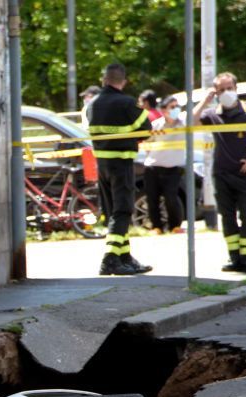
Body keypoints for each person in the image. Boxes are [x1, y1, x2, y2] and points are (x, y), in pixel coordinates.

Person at [193, 72, 246, 273]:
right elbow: (192, 121)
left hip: (243, 173)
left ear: (236, 88)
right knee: (227, 216)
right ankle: (235, 258)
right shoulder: (213, 113)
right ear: (216, 92)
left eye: (229, 88)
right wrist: (205, 100)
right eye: (221, 89)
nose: (226, 92)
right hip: (221, 173)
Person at [87, 63, 153, 275]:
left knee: (113, 212)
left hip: (103, 166)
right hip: (122, 162)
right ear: (122, 82)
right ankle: (110, 259)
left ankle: (125, 257)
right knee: (123, 210)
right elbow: (147, 128)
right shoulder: (127, 103)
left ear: (104, 80)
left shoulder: (92, 104)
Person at [142, 96, 186, 233]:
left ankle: (175, 226)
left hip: (174, 168)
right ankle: (157, 226)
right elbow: (147, 143)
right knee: (152, 198)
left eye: (177, 106)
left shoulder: (183, 125)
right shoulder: (156, 125)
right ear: (163, 110)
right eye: (172, 107)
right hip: (153, 167)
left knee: (171, 198)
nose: (175, 109)